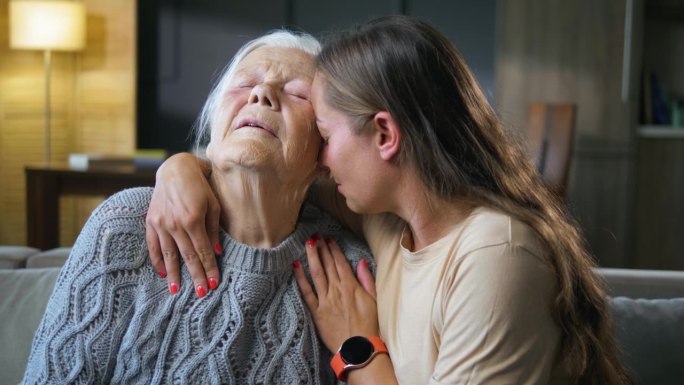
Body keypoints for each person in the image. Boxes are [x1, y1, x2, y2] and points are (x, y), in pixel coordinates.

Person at [146, 16, 631, 385]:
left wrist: (359, 348)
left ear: (383, 135)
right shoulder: (389, 221)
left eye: (325, 135)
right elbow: (266, 169)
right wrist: (181, 169)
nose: (322, 158)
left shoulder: (494, 254)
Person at [22, 30, 373, 385]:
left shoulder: (349, 269)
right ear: (215, 121)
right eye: (243, 84)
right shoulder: (126, 226)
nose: (261, 93)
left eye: (297, 93)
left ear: (324, 147)